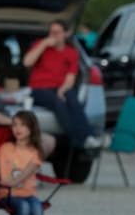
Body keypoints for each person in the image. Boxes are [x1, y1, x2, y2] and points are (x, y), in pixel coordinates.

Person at [23, 19, 100, 151]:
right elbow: (27, 62)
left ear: (66, 33)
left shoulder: (72, 53)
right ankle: (81, 140)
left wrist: (63, 90)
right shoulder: (40, 45)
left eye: (57, 32)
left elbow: (71, 77)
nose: (53, 35)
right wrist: (43, 44)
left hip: (59, 88)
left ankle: (88, 137)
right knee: (58, 102)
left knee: (72, 98)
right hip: (39, 89)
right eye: (51, 32)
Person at [0, 60, 57, 159]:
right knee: (47, 141)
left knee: (46, 139)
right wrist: (13, 123)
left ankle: (25, 167)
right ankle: (25, 168)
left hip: (5, 130)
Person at [0, 110, 47, 215]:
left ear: (32, 128)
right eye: (15, 125)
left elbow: (27, 173)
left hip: (29, 194)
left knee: (37, 211)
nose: (17, 129)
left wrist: (12, 181)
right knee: (24, 208)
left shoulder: (35, 152)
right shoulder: (5, 148)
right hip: (8, 194)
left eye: (23, 125)